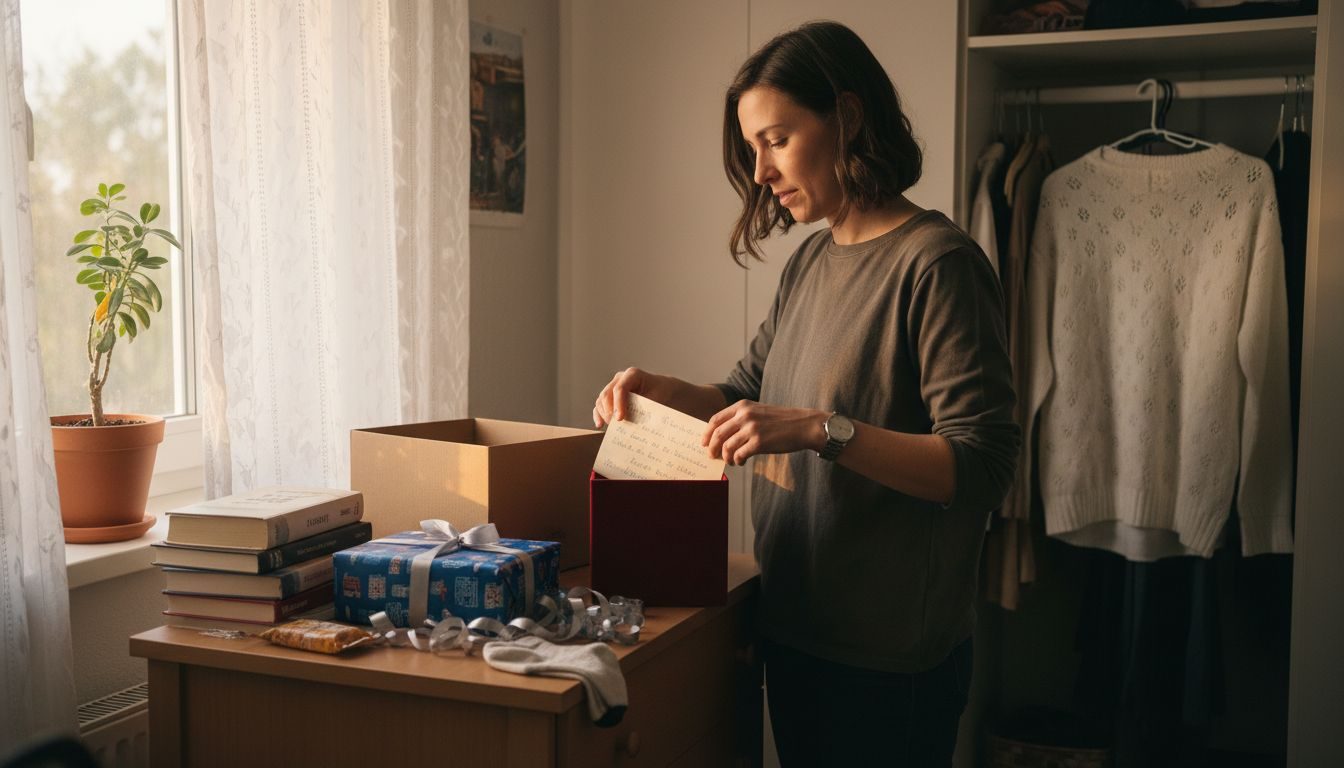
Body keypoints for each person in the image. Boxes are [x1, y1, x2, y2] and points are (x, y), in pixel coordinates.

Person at [592, 21, 1019, 767]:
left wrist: (825, 430)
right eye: (752, 147)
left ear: (847, 118)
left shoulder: (938, 264)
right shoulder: (812, 260)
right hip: (792, 629)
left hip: (889, 664)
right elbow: (747, 394)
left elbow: (983, 465)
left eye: (777, 140)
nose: (760, 171)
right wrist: (664, 394)